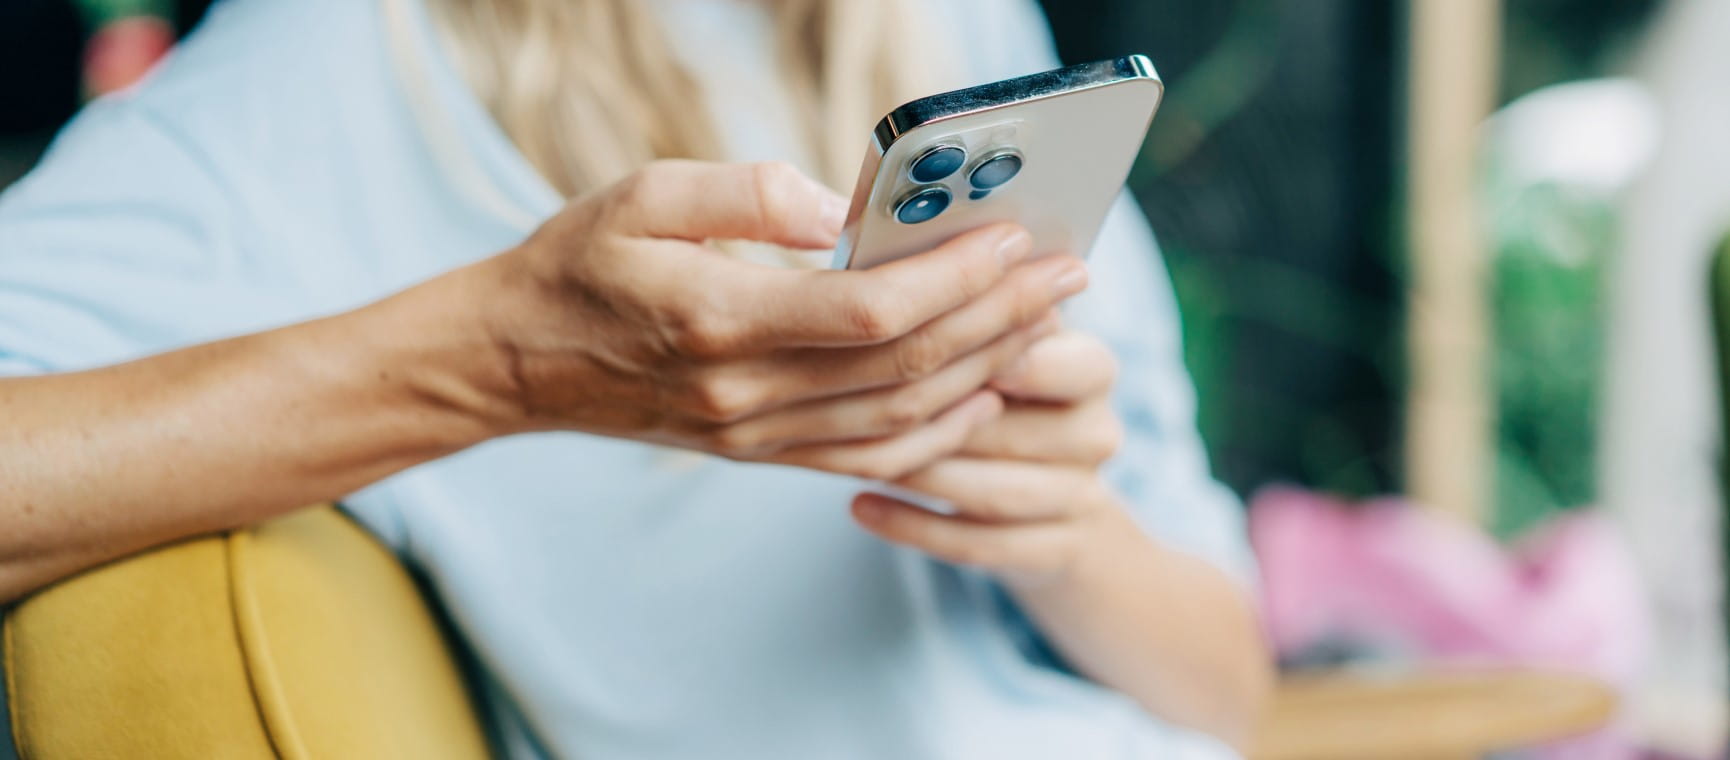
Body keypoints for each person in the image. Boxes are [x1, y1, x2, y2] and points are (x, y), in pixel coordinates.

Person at [0, 0, 1272, 757]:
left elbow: (1226, 690)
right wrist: (499, 364)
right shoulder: (340, 63)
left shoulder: (950, 22)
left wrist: (1059, 529)